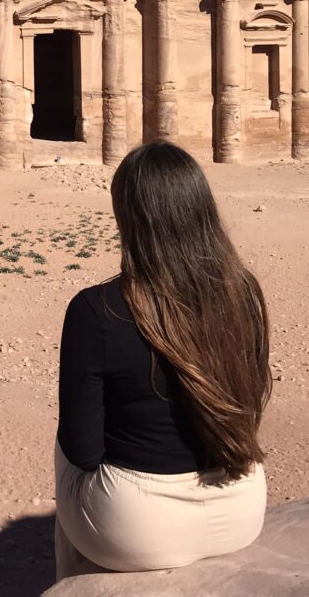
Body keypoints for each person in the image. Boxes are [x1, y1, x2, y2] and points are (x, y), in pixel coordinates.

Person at [55, 142, 272, 580]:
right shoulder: (244, 290)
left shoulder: (96, 310)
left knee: (64, 457)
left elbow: (82, 450)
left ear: (127, 217)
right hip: (241, 511)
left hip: (138, 530)